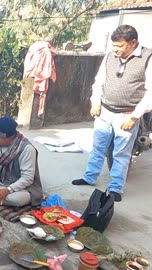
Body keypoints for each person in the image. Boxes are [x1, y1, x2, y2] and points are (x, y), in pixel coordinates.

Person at [71, 25, 152, 202]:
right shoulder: (110, 56)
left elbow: (150, 92)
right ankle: (89, 177)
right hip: (105, 110)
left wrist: (134, 116)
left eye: (119, 46)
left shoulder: (147, 58)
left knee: (121, 153)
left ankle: (116, 188)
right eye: (114, 46)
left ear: (133, 43)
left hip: (127, 114)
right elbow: (99, 81)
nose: (115, 50)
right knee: (98, 147)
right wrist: (95, 102)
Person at [0, 116, 43, 207]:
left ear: (8, 138)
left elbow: (27, 178)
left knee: (17, 200)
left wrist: (7, 190)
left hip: (17, 186)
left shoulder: (27, 149)